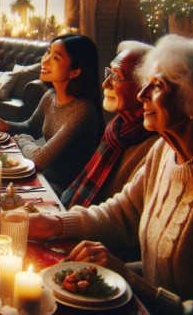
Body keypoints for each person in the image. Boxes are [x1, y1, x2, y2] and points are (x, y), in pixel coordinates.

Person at [28, 35, 193, 315]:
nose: (141, 94)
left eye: (157, 86)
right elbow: (122, 213)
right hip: (150, 312)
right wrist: (58, 223)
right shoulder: (164, 152)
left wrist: (130, 281)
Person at [0, 34, 103, 191]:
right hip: (43, 176)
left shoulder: (82, 111)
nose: (44, 61)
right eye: (47, 52)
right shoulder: (50, 96)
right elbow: (31, 127)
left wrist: (21, 139)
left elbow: (39, 159)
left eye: (56, 58)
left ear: (75, 72)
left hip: (63, 189)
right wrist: (5, 125)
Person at [60, 40, 157, 207]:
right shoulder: (116, 129)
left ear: (144, 86)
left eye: (116, 76)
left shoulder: (153, 147)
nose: (106, 84)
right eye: (108, 73)